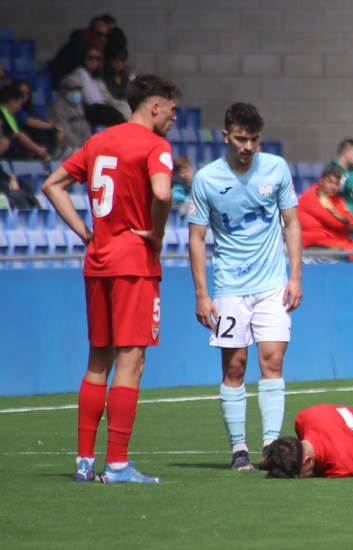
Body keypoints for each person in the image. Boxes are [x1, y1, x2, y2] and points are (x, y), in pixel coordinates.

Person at [41, 73, 180, 484]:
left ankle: (84, 461)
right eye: (171, 110)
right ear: (154, 106)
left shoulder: (99, 141)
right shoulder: (156, 146)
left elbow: (53, 185)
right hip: (134, 263)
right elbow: (163, 193)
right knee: (131, 359)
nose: (174, 118)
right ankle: (117, 464)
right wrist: (156, 233)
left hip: (98, 259)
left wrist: (85, 233)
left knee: (97, 359)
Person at [186, 102, 302, 472]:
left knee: (273, 361)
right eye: (240, 138)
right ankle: (239, 448)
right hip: (230, 288)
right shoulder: (207, 179)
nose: (248, 146)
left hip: (271, 284)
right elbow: (196, 239)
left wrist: (295, 276)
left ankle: (270, 446)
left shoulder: (277, 169)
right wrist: (202, 294)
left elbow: (292, 223)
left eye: (253, 138)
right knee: (234, 367)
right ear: (226, 136)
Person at [298, 164, 353, 251]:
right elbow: (337, 223)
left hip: (333, 239)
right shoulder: (313, 196)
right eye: (329, 182)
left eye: (336, 184)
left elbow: (347, 218)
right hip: (315, 243)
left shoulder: (336, 199)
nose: (333, 187)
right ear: (321, 181)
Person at [67, 46, 129, 127]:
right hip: (89, 109)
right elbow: (86, 99)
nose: (94, 61)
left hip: (102, 107)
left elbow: (107, 97)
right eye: (90, 58)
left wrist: (119, 104)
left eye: (97, 58)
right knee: (116, 116)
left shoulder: (96, 78)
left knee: (125, 107)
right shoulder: (78, 74)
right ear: (83, 58)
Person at [0, 84, 50, 160]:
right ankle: (39, 152)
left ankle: (40, 152)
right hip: (6, 144)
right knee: (19, 137)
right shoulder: (2, 113)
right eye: (18, 104)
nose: (19, 107)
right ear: (11, 102)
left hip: (12, 143)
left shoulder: (9, 114)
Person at [47, 75, 92, 157]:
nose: (76, 92)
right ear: (64, 90)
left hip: (81, 147)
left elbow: (85, 128)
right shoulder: (57, 108)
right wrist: (80, 146)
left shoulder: (79, 106)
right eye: (72, 89)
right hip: (65, 148)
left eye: (78, 89)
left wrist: (86, 144)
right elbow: (65, 133)